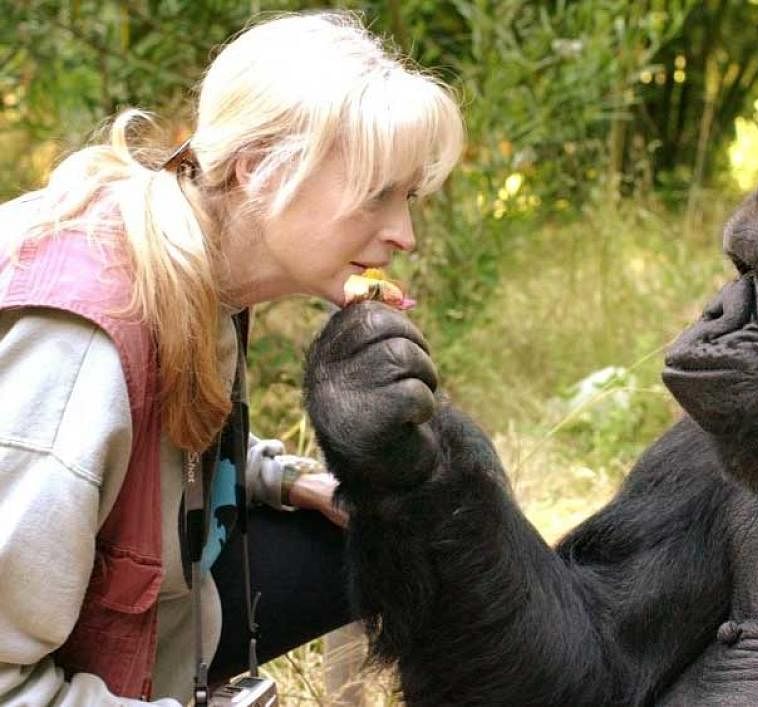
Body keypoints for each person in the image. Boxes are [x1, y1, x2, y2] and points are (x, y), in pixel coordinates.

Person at [0, 11, 463, 705]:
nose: (404, 234)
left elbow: (142, 448)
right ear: (260, 169)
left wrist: (276, 475)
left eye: (409, 196)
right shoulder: (83, 342)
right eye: (377, 195)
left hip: (161, 630)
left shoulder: (193, 258)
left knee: (393, 533)